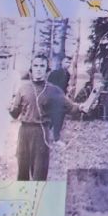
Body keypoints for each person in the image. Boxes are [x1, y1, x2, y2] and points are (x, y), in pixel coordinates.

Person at [10, 54, 68, 182]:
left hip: (41, 133)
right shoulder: (23, 89)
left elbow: (69, 105)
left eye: (42, 66)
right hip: (24, 133)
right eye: (35, 66)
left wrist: (82, 107)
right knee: (22, 173)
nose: (38, 69)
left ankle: (38, 201)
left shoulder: (54, 90)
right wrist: (9, 107)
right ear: (31, 69)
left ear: (47, 70)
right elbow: (15, 113)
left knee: (39, 173)